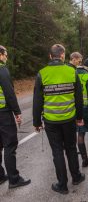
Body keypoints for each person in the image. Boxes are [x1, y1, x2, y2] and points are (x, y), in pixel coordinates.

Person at [33, 44, 85, 194]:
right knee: (71, 148)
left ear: (50, 56)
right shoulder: (71, 72)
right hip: (69, 119)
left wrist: (37, 122)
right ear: (63, 56)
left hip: (51, 121)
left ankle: (62, 185)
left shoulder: (42, 74)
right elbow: (79, 98)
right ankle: (76, 177)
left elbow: (37, 101)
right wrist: (79, 117)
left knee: (57, 152)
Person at [0, 45, 31, 188]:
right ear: (0, 55)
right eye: (5, 54)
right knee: (10, 145)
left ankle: (0, 176)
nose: (6, 57)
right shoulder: (2, 70)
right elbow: (9, 94)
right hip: (3, 114)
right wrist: (17, 112)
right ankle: (14, 179)